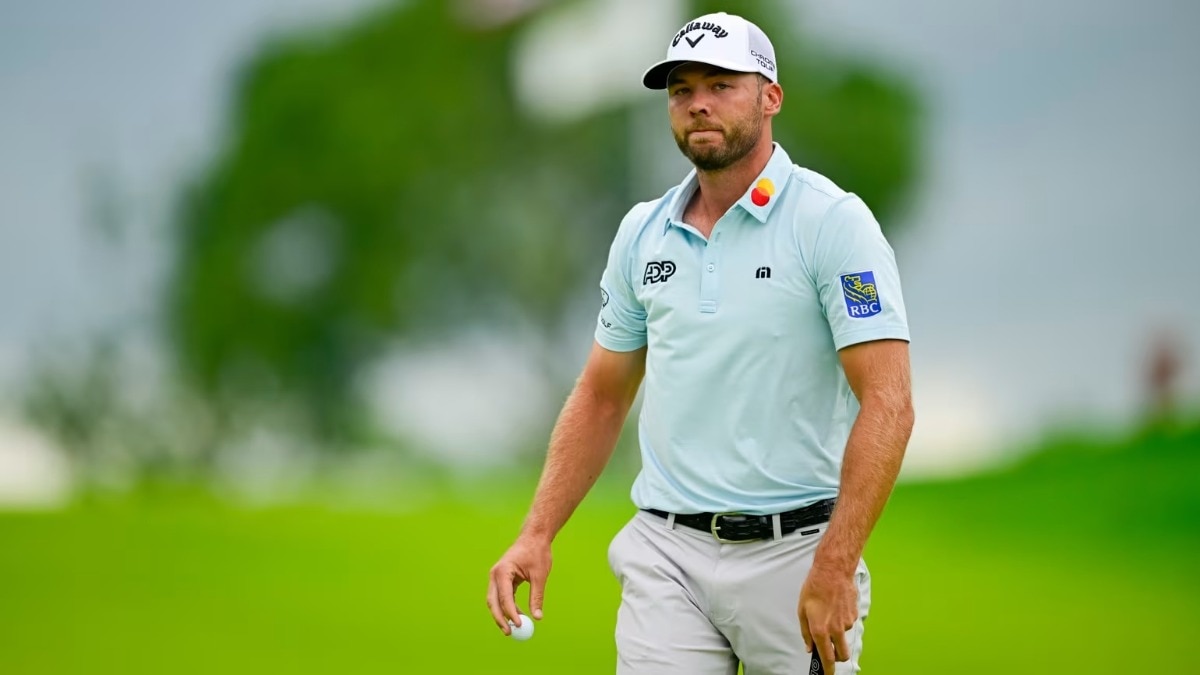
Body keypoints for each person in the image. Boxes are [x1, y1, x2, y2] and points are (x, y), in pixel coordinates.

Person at [486, 11, 914, 674]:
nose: (698, 104)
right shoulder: (643, 232)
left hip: (796, 552)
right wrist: (536, 532)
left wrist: (837, 563)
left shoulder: (831, 222)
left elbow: (888, 401)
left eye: (721, 85)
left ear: (770, 97)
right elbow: (602, 394)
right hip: (668, 553)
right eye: (682, 90)